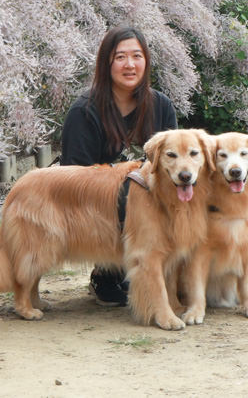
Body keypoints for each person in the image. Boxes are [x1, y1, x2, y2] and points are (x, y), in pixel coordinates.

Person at [60, 26, 178, 307]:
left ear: (146, 61)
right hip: (97, 207)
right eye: (120, 57)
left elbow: (175, 165)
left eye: (137, 56)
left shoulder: (161, 106)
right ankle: (107, 270)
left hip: (151, 206)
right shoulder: (84, 111)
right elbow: (75, 180)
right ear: (107, 63)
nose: (130, 65)